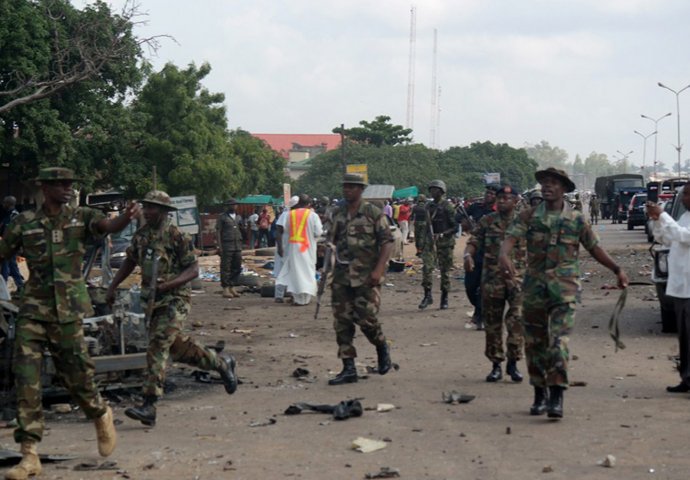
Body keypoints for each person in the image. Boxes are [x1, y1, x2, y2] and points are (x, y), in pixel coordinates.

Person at [0, 168, 128, 479]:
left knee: (77, 376)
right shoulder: (24, 222)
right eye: (59, 184)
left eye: (70, 183)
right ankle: (29, 455)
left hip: (69, 311)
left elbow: (106, 225)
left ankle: (100, 413)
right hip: (33, 309)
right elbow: (3, 250)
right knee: (26, 377)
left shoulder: (81, 217)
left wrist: (125, 218)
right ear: (44, 187)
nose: (67, 188)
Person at [499, 168, 628, 419]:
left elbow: (594, 248)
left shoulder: (577, 219)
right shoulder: (528, 216)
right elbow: (509, 240)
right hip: (534, 289)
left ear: (564, 189)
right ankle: (539, 393)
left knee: (558, 343)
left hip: (564, 291)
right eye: (544, 183)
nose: (547, 187)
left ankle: (556, 395)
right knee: (535, 344)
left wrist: (617, 269)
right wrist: (504, 255)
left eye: (553, 183)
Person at [106, 190, 238, 427]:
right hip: (152, 301)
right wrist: (113, 286)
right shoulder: (142, 235)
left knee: (157, 344)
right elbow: (130, 261)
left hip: (175, 299)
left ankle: (149, 404)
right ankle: (220, 363)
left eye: (153, 208)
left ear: (165, 212)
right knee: (176, 348)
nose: (148, 211)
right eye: (146, 207)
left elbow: (194, 270)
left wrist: (169, 284)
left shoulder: (176, 236)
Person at [328, 173, 394, 386]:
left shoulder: (373, 213)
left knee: (366, 318)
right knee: (342, 322)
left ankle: (381, 345)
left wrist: (379, 269)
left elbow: (387, 242)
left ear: (361, 189)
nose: (347, 190)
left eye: (351, 187)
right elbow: (331, 240)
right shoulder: (337, 214)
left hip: (366, 276)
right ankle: (348, 367)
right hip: (341, 276)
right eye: (345, 186)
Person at [464, 185, 525, 383]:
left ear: (516, 200)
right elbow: (474, 240)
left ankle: (513, 363)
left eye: (507, 197)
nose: (502, 200)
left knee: (516, 321)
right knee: (493, 323)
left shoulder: (525, 222)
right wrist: (468, 255)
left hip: (518, 280)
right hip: (492, 279)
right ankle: (496, 364)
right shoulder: (487, 221)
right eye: (500, 197)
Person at [647, 184, 690, 393]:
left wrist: (663, 214)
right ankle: (687, 378)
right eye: (685, 194)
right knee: (685, 337)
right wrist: (657, 220)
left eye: (689, 195)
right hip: (683, 287)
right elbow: (665, 238)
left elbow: (683, 236)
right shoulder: (685, 217)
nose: (685, 199)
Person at [418, 180, 459, 310]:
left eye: (435, 189)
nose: (432, 191)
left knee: (445, 271)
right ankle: (427, 295)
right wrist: (421, 243)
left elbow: (455, 227)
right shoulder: (428, 207)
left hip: (445, 243)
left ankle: (444, 297)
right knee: (427, 269)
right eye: (431, 189)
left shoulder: (448, 207)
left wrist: (442, 234)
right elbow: (423, 227)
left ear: (441, 191)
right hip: (430, 243)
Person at [275, 195, 323, 305]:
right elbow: (318, 232)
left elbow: (282, 230)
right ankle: (304, 299)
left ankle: (297, 298)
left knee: (295, 272)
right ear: (309, 204)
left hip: (293, 248)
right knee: (307, 271)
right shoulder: (313, 215)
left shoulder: (289, 215)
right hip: (307, 248)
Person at [462, 185, 498, 326]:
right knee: (470, 286)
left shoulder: (500, 213)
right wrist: (465, 223)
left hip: (492, 256)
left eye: (492, 193)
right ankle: (478, 308)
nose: (488, 195)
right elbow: (460, 216)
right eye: (487, 192)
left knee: (485, 287)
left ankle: (480, 314)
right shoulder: (476, 208)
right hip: (475, 251)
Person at [216, 198, 243, 299]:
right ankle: (225, 288)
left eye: (236, 205)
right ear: (228, 206)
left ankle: (232, 286)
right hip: (227, 245)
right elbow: (218, 232)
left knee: (237, 266)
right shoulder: (222, 217)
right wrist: (219, 246)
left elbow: (241, 229)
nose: (234, 206)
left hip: (237, 245)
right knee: (226, 267)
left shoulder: (239, 217)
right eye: (232, 205)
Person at [274, 196, 299, 303]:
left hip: (294, 247)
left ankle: (293, 295)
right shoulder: (285, 215)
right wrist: (280, 247)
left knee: (294, 271)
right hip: (284, 247)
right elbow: (278, 231)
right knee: (281, 271)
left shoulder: (298, 216)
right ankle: (279, 295)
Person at [0, 196, 24, 294]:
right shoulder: (7, 215)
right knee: (12, 267)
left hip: (11, 246)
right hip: (6, 245)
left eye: (5, 203)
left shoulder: (15, 216)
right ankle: (20, 286)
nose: (3, 204)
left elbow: (13, 232)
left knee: (6, 266)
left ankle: (3, 288)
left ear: (9, 204)